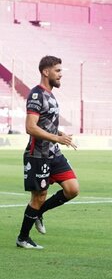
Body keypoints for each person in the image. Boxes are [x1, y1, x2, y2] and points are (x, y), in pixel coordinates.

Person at [16, 55, 79, 249]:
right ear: (46, 71)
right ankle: (23, 238)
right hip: (38, 154)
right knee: (39, 196)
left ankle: (38, 212)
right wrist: (57, 138)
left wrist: (59, 134)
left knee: (72, 189)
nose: (61, 75)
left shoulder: (51, 95)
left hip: (54, 153)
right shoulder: (37, 95)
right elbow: (30, 127)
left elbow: (45, 125)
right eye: (58, 71)